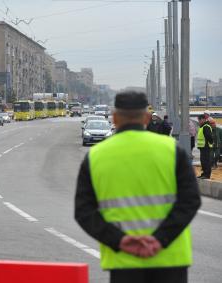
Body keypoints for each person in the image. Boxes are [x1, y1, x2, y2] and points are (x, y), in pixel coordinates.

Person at [75, 91, 201, 283]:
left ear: (114, 118)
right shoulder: (172, 149)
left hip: (124, 261)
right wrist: (160, 239)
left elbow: (84, 212)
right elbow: (190, 201)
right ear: (147, 117)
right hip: (170, 258)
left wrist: (119, 241)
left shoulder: (96, 156)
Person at [197, 114, 214, 179]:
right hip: (203, 147)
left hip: (206, 146)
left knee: (206, 161)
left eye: (199, 120)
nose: (199, 121)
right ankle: (204, 173)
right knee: (203, 161)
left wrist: (211, 143)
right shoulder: (202, 126)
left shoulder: (206, 126)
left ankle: (207, 175)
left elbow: (209, 136)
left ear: (203, 119)